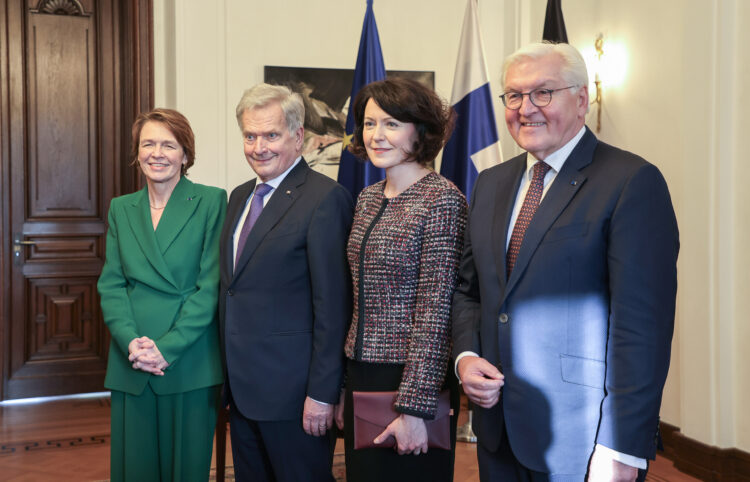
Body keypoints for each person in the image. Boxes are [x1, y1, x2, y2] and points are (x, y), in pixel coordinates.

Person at [452, 42, 680, 481]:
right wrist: (465, 356)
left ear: (581, 100)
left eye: (543, 93)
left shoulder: (632, 182)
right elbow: (470, 290)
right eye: (514, 96)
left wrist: (622, 448)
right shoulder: (491, 183)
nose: (525, 108)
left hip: (584, 437)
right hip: (497, 428)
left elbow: (641, 330)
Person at [218, 83, 353, 482]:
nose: (259, 147)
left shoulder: (326, 199)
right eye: (250, 135)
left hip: (295, 397)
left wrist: (323, 393)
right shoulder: (240, 197)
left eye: (271, 135)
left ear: (298, 137)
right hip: (242, 392)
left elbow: (333, 307)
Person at [335, 77, 468, 482]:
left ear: (420, 130)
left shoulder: (442, 199)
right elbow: (355, 297)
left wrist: (414, 408)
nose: (376, 135)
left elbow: (436, 309)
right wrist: (343, 385)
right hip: (362, 372)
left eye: (391, 124)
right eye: (370, 123)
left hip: (411, 378)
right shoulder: (369, 197)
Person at [98, 108, 226, 481]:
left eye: (168, 145)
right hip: (132, 359)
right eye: (148, 144)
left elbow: (210, 286)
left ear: (185, 155)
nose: (157, 153)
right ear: (137, 153)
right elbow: (112, 284)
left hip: (187, 359)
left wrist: (165, 348)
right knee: (133, 469)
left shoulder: (211, 201)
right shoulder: (121, 208)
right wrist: (131, 344)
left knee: (184, 471)